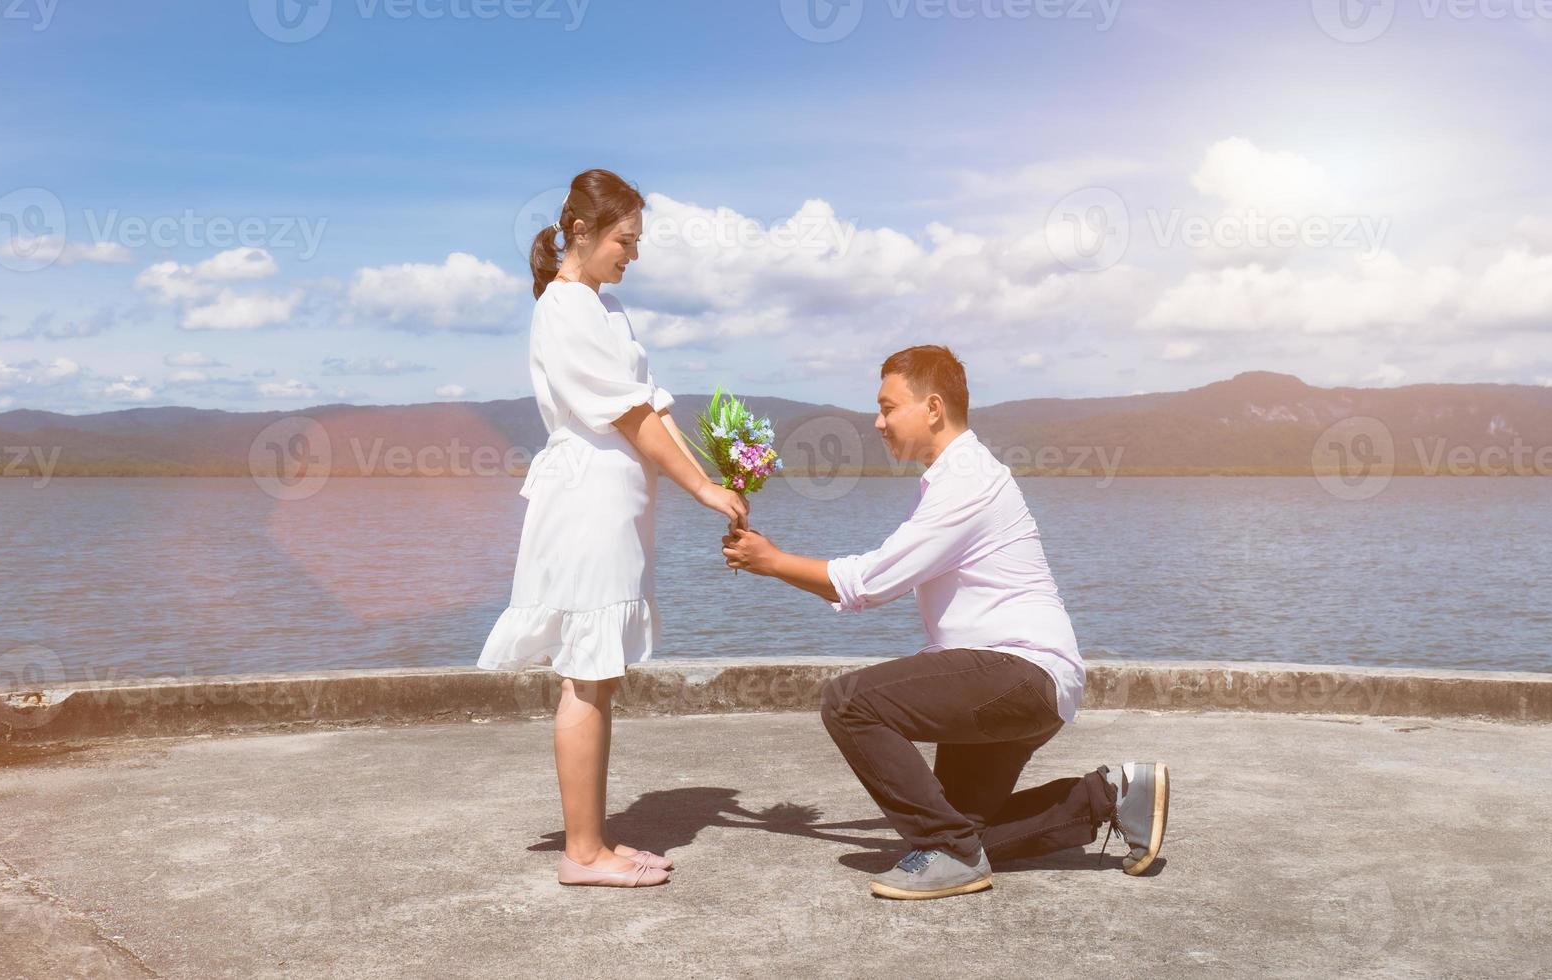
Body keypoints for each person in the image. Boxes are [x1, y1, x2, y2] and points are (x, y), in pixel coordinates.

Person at [721, 345, 1169, 900]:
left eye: (888, 408)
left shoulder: (967, 481)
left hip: (1016, 674)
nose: (877, 422)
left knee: (849, 702)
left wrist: (772, 562)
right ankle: (1114, 795)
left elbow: (873, 581)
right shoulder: (956, 476)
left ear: (932, 407)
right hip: (1021, 680)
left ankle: (952, 854)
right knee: (966, 834)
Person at [479, 168, 749, 888]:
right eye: (625, 240)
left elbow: (652, 408)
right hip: (589, 499)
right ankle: (583, 853)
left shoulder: (607, 309)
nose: (633, 254)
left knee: (601, 676)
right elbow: (627, 416)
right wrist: (702, 488)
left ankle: (592, 840)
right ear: (581, 233)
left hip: (621, 500)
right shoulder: (564, 309)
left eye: (637, 240)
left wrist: (721, 477)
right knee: (588, 672)